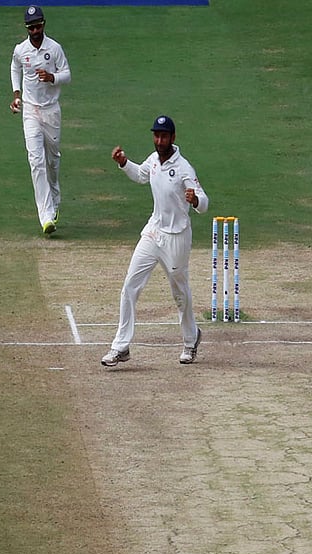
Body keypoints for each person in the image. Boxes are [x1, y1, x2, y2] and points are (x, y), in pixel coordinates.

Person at [101, 115, 209, 367]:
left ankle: (191, 340)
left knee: (179, 293)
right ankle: (120, 347)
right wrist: (124, 163)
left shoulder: (184, 168)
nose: (159, 140)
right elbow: (141, 175)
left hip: (177, 237)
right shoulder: (153, 160)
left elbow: (204, 202)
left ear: (173, 138)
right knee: (130, 285)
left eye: (163, 136)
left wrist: (194, 200)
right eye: (156, 135)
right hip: (153, 232)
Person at [10, 5, 72, 235]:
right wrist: (17, 95)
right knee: (36, 161)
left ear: (43, 24)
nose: (35, 30)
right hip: (30, 111)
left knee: (52, 160)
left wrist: (52, 77)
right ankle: (45, 216)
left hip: (51, 111)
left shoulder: (54, 49)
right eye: (31, 27)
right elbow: (15, 67)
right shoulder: (21, 50)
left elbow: (67, 74)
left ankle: (55, 200)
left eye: (38, 26)